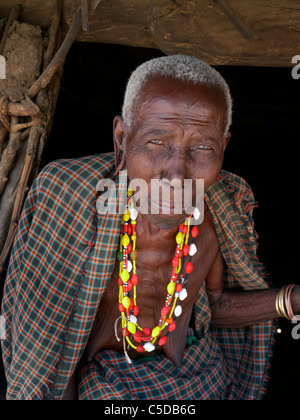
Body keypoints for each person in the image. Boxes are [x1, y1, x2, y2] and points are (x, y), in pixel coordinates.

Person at [1, 55, 299, 400]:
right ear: (122, 140)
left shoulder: (218, 216)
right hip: (100, 384)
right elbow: (44, 343)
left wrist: (290, 299)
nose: (176, 175)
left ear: (224, 147)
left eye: (203, 147)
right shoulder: (70, 203)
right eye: (157, 142)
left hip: (191, 377)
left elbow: (212, 306)